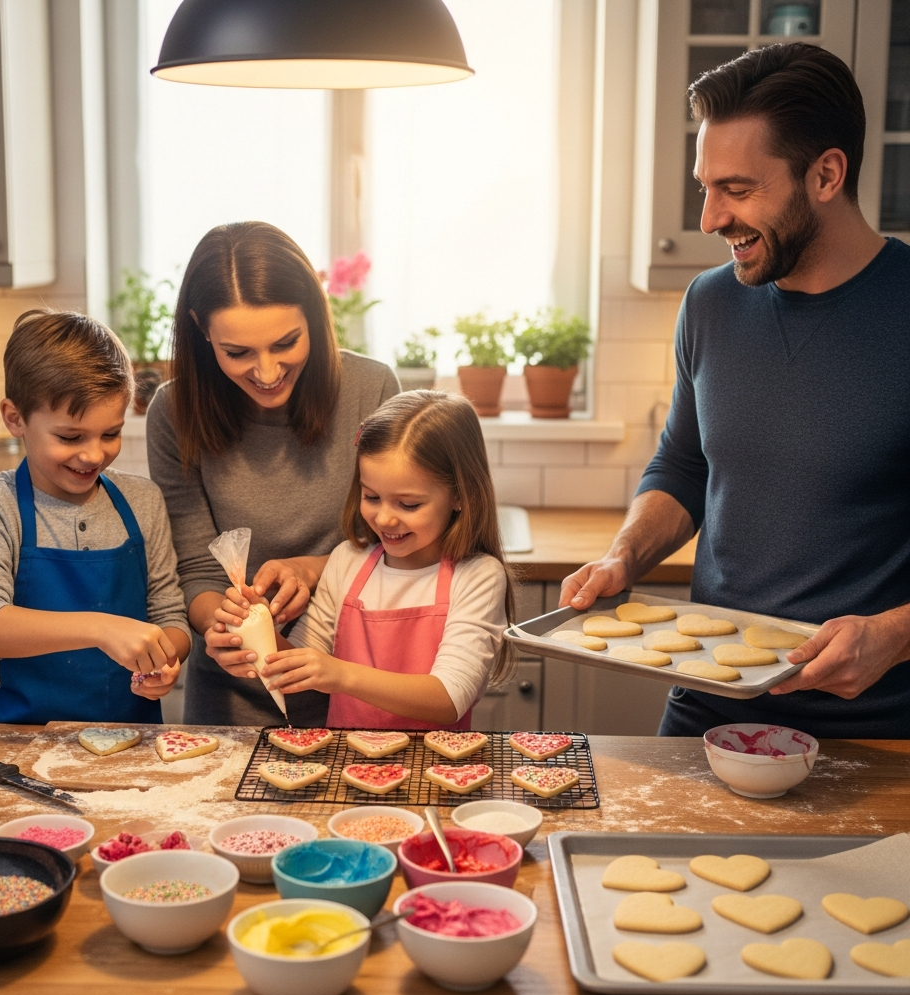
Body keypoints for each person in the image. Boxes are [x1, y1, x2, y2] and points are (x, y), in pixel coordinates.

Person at [560, 43, 910, 739]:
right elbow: (684, 466)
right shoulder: (710, 303)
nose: (710, 218)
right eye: (705, 187)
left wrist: (895, 635)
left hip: (875, 731)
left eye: (738, 190)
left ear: (826, 175)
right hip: (706, 709)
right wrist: (624, 554)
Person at [146, 222, 400, 726]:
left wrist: (314, 569)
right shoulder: (173, 413)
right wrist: (218, 626)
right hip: (231, 703)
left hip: (360, 690)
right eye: (237, 353)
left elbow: (404, 547)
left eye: (286, 343)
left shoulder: (371, 391)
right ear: (200, 328)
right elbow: (196, 568)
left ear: (314, 312)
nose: (266, 372)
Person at [216, 390, 514, 727]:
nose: (385, 518)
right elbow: (301, 660)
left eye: (409, 504)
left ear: (460, 494)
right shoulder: (348, 561)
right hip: (349, 767)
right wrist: (252, 629)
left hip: (436, 770)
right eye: (371, 497)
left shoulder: (478, 576)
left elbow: (449, 698)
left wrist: (341, 675)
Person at [0, 310, 190, 724]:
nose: (93, 455)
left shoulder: (142, 501)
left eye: (110, 434)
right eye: (70, 437)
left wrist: (165, 656)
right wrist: (100, 628)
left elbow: (170, 614)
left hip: (132, 746)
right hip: (24, 743)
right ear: (15, 418)